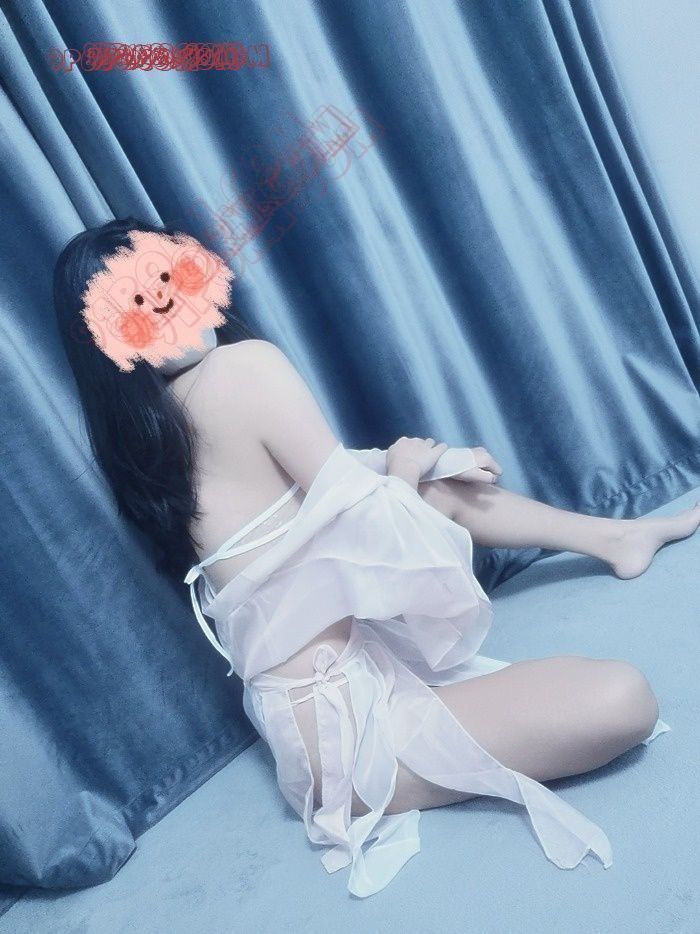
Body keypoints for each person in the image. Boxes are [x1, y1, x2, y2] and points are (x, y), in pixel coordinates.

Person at [54, 218, 697, 897]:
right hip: (352, 733)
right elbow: (380, 530)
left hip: (307, 724)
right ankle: (606, 539)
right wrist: (407, 470)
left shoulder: (151, 426)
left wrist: (420, 466)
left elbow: (321, 485)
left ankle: (614, 537)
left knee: (429, 485)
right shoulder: (242, 368)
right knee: (625, 698)